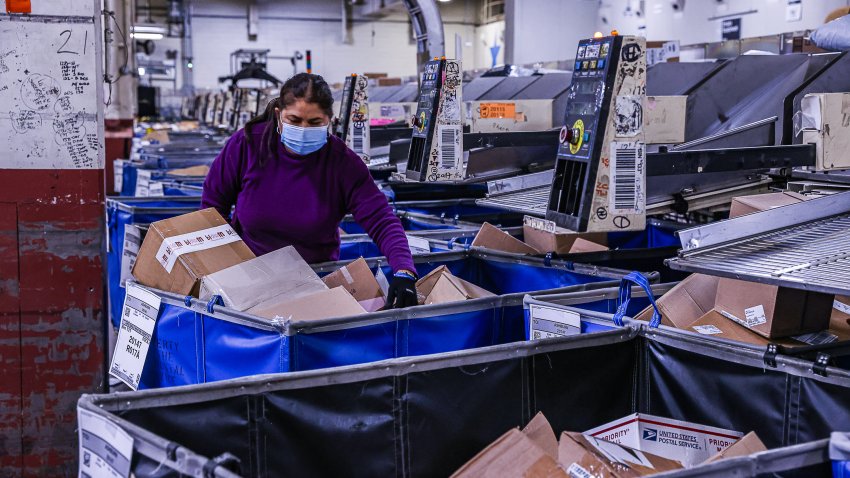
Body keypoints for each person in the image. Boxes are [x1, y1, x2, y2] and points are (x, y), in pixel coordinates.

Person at [202, 73, 418, 308]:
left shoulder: (342, 164)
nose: (303, 129)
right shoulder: (247, 145)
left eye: (314, 123)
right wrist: (226, 271)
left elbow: (381, 219)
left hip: (313, 282)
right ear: (278, 116)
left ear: (329, 120)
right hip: (246, 283)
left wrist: (404, 270)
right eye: (294, 120)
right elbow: (212, 210)